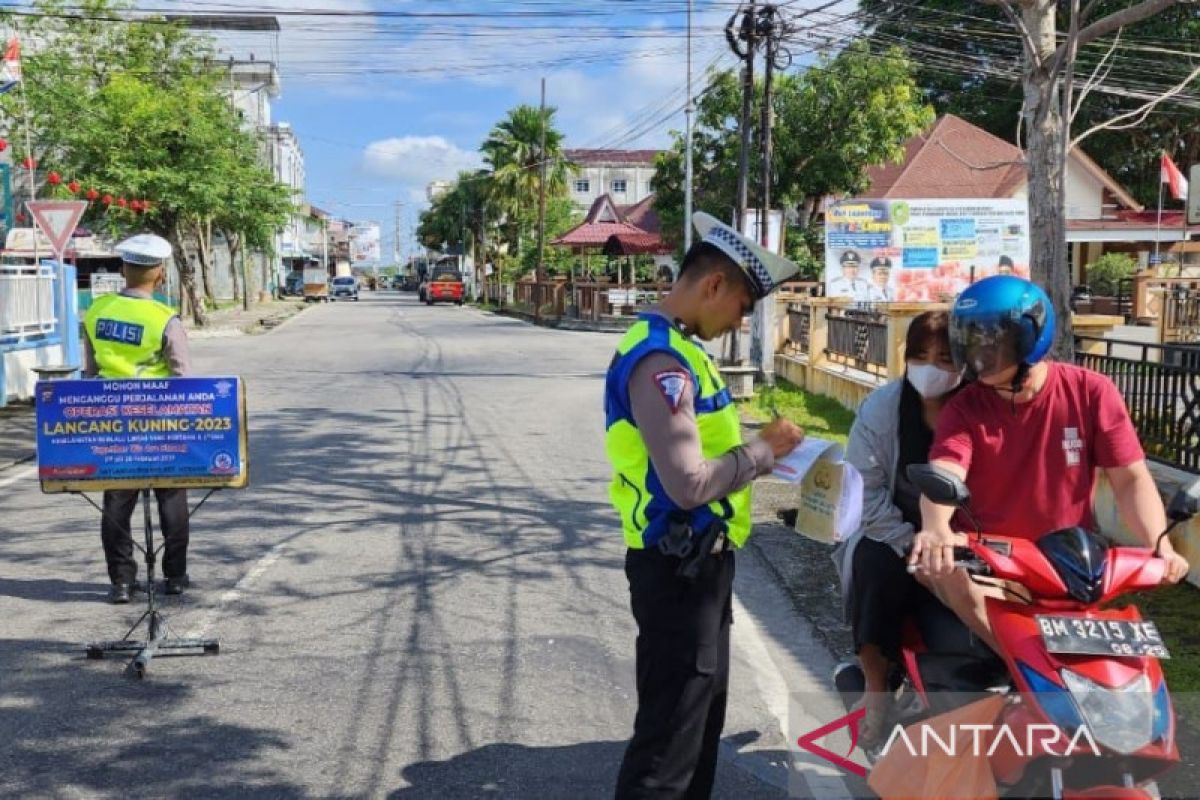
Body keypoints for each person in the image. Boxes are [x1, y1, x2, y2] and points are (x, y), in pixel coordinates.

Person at [606, 211, 805, 799]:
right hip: (677, 566)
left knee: (696, 728)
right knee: (669, 745)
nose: (742, 319)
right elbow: (688, 483)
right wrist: (765, 451)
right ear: (713, 285)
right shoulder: (661, 361)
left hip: (701, 564)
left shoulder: (682, 351)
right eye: (743, 305)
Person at [909, 276, 1190, 651]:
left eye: (993, 340)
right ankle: (1017, 669)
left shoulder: (1091, 392)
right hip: (988, 558)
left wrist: (1160, 546)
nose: (979, 352)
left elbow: (1130, 480)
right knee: (949, 577)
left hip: (1068, 563)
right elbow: (946, 469)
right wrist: (936, 529)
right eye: (971, 339)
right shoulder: (966, 406)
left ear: (1030, 336)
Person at [834, 311, 963, 744]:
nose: (931, 368)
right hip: (890, 529)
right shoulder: (882, 407)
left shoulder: (975, 409)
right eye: (920, 355)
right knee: (875, 568)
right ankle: (874, 689)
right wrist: (911, 541)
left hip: (962, 538)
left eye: (945, 358)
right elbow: (862, 490)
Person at [82, 233, 193, 604]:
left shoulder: (97, 311)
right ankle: (175, 576)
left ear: (122, 268)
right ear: (160, 274)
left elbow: (90, 372)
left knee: (117, 503)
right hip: (159, 424)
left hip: (114, 424)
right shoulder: (165, 318)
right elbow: (182, 379)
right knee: (172, 498)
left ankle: (122, 582)